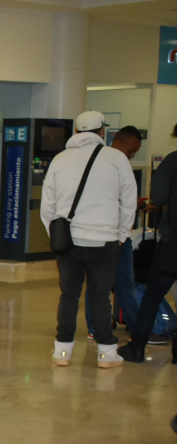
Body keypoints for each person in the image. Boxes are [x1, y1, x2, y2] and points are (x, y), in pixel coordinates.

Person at [38, 110, 133, 368]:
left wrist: (56, 234)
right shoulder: (117, 159)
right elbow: (129, 201)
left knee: (68, 295)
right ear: (102, 132)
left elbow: (48, 206)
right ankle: (106, 353)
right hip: (105, 240)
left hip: (68, 242)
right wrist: (122, 234)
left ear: (77, 132)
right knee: (100, 296)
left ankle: (62, 352)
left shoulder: (60, 159)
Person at [82, 126, 147, 340]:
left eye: (135, 152)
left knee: (124, 283)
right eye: (130, 151)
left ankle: (136, 328)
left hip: (120, 236)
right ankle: (95, 327)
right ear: (117, 142)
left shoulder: (121, 164)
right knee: (98, 285)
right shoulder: (103, 163)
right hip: (103, 235)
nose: (132, 156)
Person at [122, 125, 177, 364]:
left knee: (153, 292)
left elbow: (159, 196)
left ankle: (137, 346)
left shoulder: (173, 161)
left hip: (172, 243)